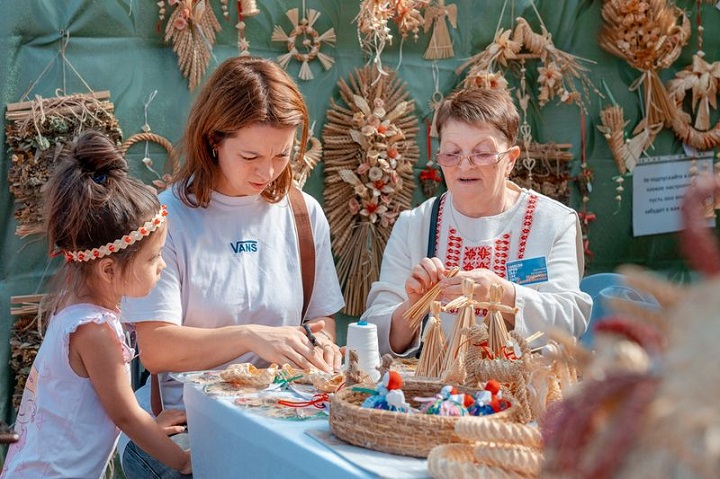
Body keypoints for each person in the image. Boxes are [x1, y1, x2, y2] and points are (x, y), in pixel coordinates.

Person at [119, 55, 345, 478]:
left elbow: (319, 319)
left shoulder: (302, 213)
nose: (268, 170)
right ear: (212, 142)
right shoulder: (167, 219)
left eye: (282, 154)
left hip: (284, 419)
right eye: (250, 155)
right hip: (189, 427)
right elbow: (157, 350)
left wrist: (320, 346)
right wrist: (250, 337)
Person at [1, 130, 192, 478]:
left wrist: (150, 424)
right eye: (153, 258)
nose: (162, 266)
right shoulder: (96, 331)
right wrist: (183, 461)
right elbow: (124, 415)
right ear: (108, 268)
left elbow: (109, 402)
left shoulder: (76, 309)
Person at [361, 87, 592, 356]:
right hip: (437, 394)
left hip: (523, 392)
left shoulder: (552, 222)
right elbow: (373, 335)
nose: (465, 165)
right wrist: (413, 306)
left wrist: (503, 293)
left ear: (510, 160)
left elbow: (570, 321)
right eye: (451, 153)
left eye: (482, 152)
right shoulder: (416, 225)